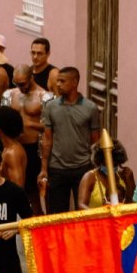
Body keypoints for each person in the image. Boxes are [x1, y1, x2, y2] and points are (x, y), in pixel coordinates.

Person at [38, 67, 101, 214]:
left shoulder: (90, 108)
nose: (58, 84)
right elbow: (47, 139)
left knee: (83, 212)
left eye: (62, 81)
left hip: (83, 167)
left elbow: (95, 141)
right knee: (57, 214)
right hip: (57, 168)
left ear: (74, 83)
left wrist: (96, 169)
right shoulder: (51, 107)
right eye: (57, 81)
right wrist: (44, 169)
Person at [76, 140, 137, 208]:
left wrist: (130, 183)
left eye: (115, 164)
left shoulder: (123, 176)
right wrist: (100, 215)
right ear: (100, 160)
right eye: (108, 164)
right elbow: (81, 205)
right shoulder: (90, 177)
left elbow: (131, 206)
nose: (111, 167)